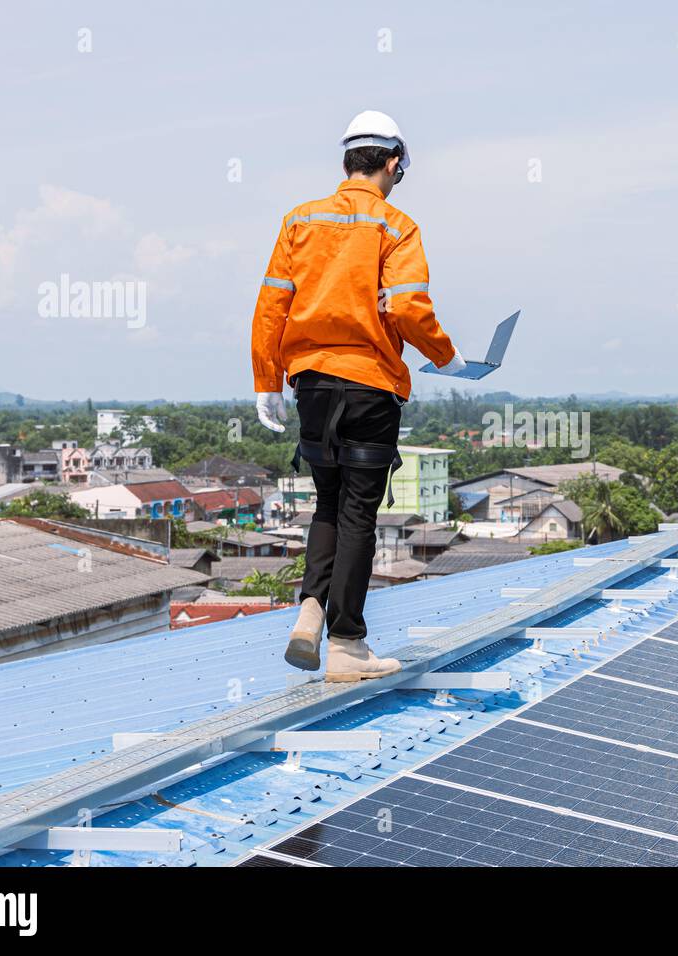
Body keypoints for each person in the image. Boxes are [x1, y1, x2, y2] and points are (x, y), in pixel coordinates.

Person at [250, 110, 466, 680]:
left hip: (312, 387)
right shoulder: (396, 226)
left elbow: (272, 306)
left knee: (326, 502)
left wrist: (265, 382)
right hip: (369, 386)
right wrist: (446, 356)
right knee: (358, 515)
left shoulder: (300, 220)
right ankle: (347, 646)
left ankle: (309, 612)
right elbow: (405, 307)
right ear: (393, 163)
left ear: (348, 160)